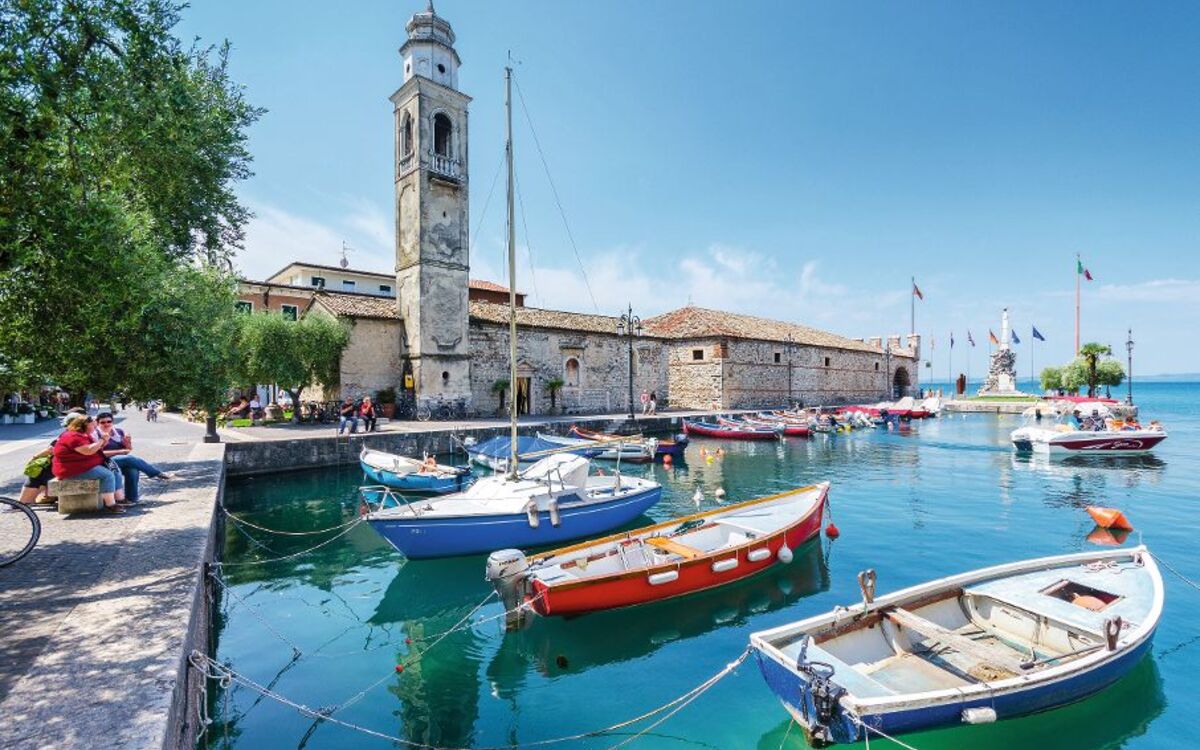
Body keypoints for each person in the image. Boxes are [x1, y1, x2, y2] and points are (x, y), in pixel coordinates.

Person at [93, 412, 172, 504]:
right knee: (129, 458)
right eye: (102, 422)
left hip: (120, 460)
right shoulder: (96, 435)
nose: (106, 424)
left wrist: (128, 442)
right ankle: (156, 473)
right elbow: (98, 454)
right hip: (104, 461)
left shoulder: (118, 432)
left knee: (132, 469)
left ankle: (131, 499)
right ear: (98, 423)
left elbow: (128, 449)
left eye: (109, 421)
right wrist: (120, 452)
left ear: (112, 422)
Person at [52, 413, 125, 513]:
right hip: (72, 470)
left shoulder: (83, 435)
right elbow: (88, 451)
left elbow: (95, 448)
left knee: (114, 469)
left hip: (83, 465)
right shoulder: (73, 437)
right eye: (92, 425)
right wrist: (102, 440)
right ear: (84, 425)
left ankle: (119, 498)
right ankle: (110, 504)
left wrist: (104, 441)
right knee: (107, 475)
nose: (94, 427)